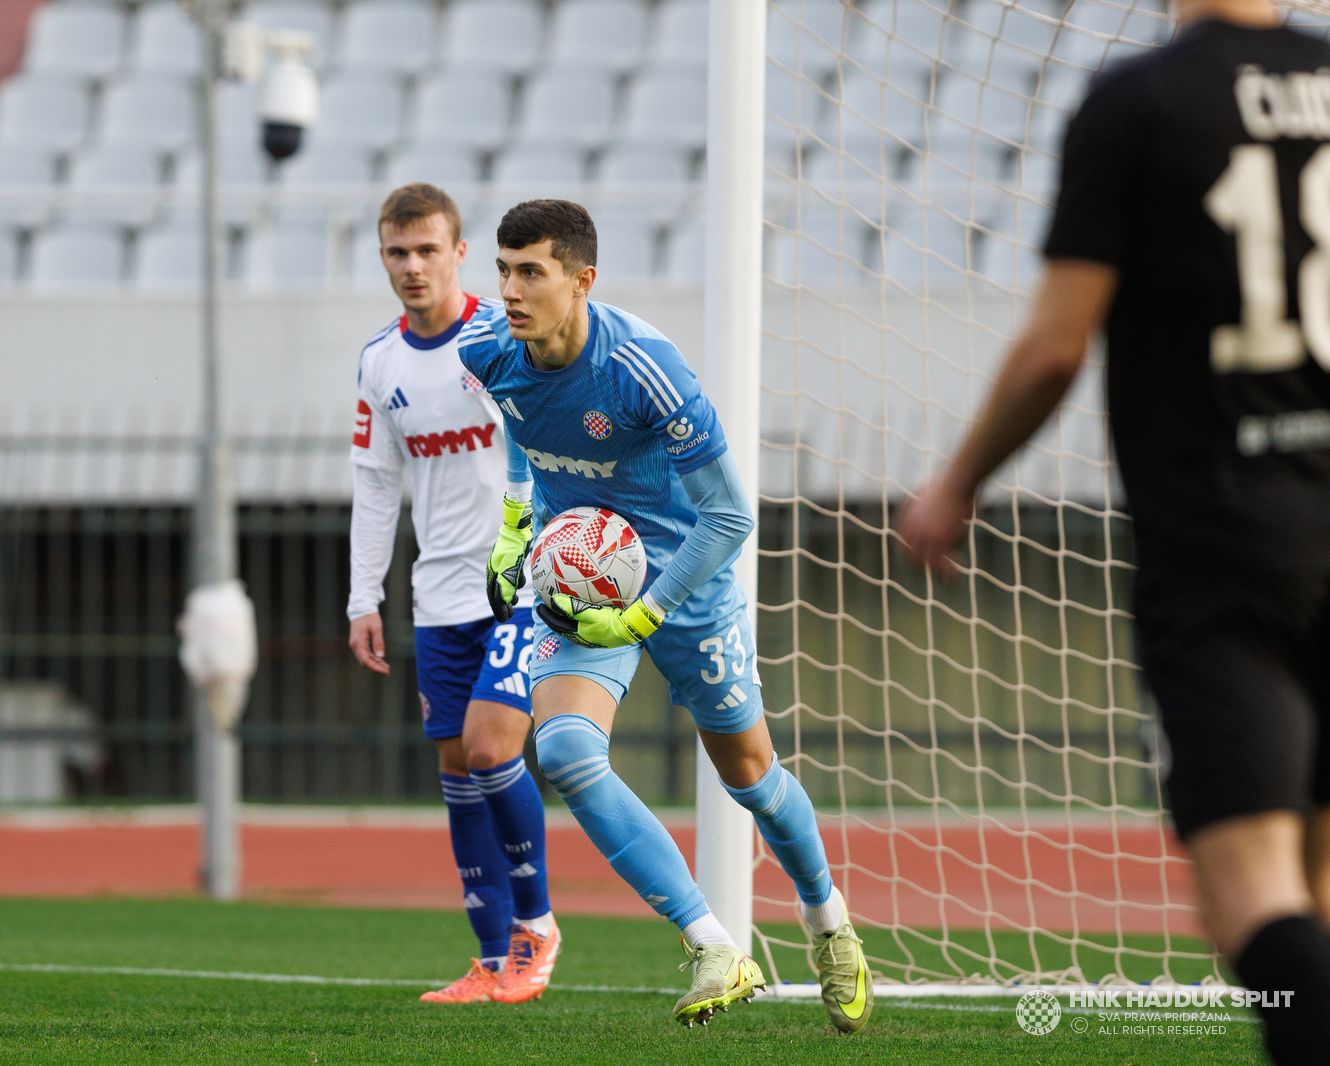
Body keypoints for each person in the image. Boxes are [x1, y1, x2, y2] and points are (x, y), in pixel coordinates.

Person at [897, 0, 1330, 1060]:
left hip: (1227, 550)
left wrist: (955, 481)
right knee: (1319, 888)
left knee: (1250, 902)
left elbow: (1055, 348)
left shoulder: (1139, 102)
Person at [457, 199, 872, 1031]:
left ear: (583, 281)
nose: (509, 290)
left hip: (683, 580)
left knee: (750, 774)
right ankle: (714, 944)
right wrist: (514, 525)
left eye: (531, 271)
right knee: (567, 750)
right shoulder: (484, 350)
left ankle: (830, 926)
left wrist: (646, 615)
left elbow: (729, 517)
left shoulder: (645, 368)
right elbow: (521, 428)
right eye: (502, 269)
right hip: (577, 581)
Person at [346, 184, 558, 1004]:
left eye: (428, 250)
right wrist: (365, 598)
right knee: (456, 771)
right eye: (397, 252)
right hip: (437, 596)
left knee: (490, 748)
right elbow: (374, 486)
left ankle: (538, 926)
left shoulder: (501, 336)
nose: (412, 266)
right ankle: (492, 961)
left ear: (459, 253)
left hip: (518, 585)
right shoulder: (379, 362)